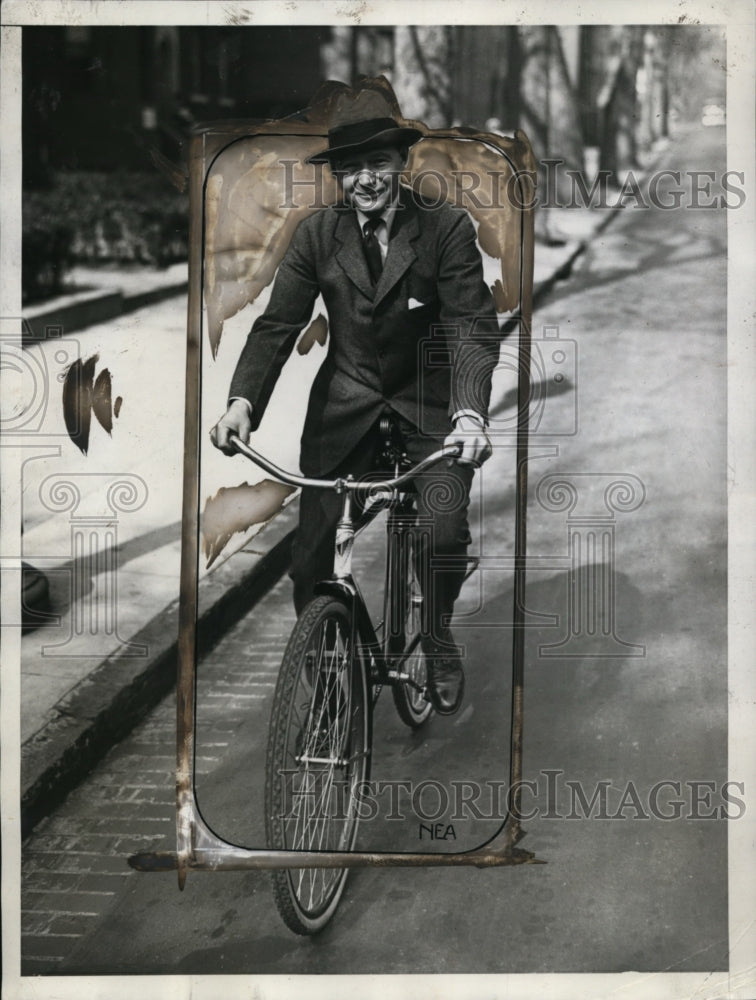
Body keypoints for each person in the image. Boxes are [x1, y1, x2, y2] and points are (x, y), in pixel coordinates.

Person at [211, 90, 502, 715]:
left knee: (442, 533)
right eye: (349, 167)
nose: (363, 179)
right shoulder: (319, 233)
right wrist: (241, 402)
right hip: (345, 411)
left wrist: (470, 412)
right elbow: (276, 325)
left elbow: (471, 327)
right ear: (337, 175)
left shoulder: (445, 227)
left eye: (376, 163)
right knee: (309, 560)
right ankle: (327, 678)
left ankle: (438, 632)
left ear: (400, 161)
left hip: (432, 411)